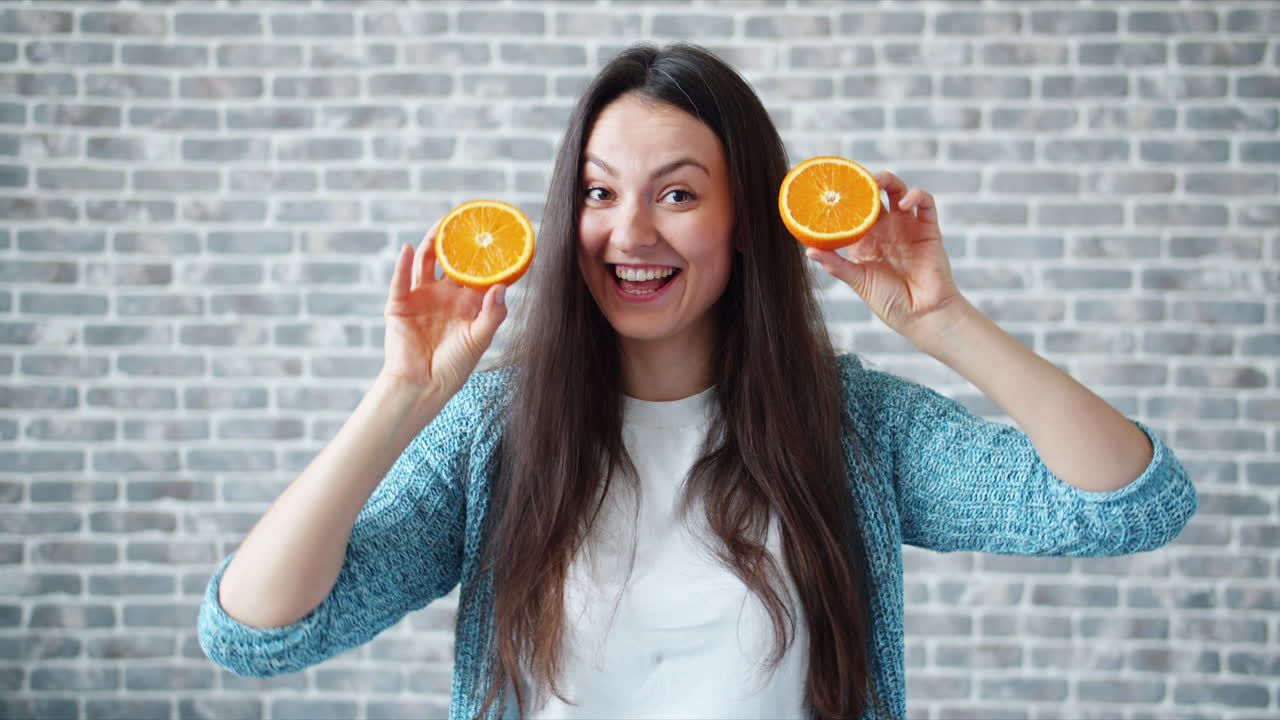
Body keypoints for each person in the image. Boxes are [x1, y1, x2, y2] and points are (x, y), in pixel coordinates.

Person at [198, 44, 1196, 720]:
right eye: (597, 193)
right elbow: (256, 632)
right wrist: (401, 395)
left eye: (677, 193)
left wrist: (940, 321)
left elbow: (1125, 507)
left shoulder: (848, 423)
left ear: (744, 221)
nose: (630, 233)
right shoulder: (497, 432)